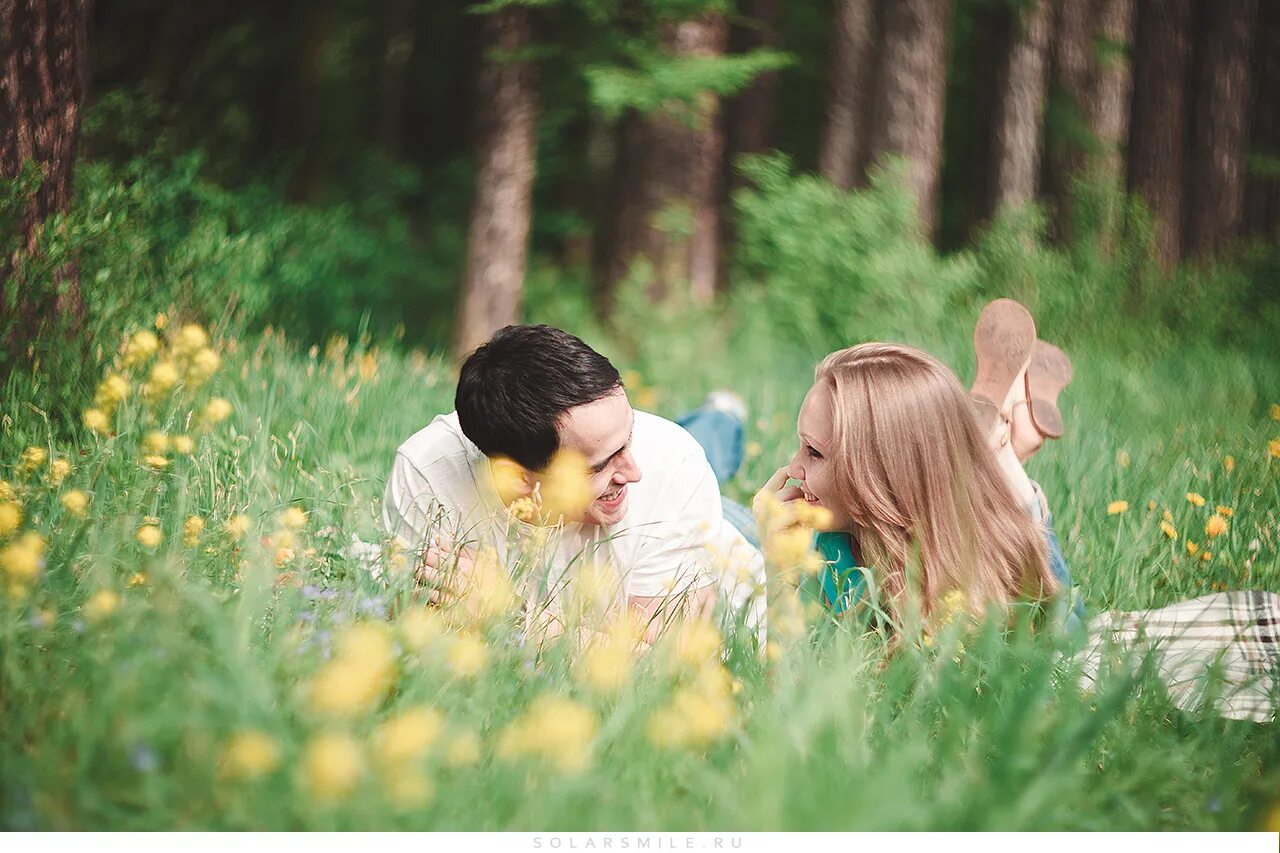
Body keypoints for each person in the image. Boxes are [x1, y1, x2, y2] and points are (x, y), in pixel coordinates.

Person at [756, 328, 1279, 722]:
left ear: (879, 470)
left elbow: (1058, 646)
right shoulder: (821, 543)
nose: (793, 466)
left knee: (1014, 515)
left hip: (1005, 540)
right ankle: (994, 425)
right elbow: (791, 686)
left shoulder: (978, 548)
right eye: (801, 443)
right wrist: (777, 566)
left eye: (815, 450)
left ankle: (1001, 444)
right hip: (933, 497)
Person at [381, 324, 762, 642]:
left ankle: (722, 414)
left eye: (629, 436)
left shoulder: (672, 464)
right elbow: (420, 638)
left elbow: (656, 673)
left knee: (698, 446)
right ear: (516, 480)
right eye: (598, 465)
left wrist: (505, 615)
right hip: (657, 521)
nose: (634, 470)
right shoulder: (429, 475)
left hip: (728, 534)